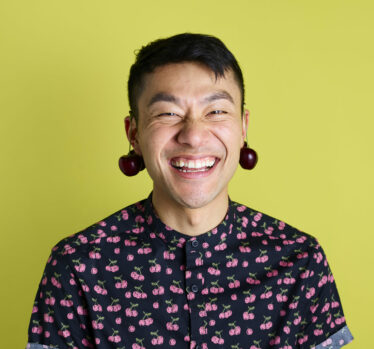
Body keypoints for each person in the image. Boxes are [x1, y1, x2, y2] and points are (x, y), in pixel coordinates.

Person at [27, 33, 354, 349]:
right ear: (134, 133)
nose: (194, 136)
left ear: (243, 128)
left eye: (216, 112)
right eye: (168, 113)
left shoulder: (299, 261)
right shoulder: (78, 266)